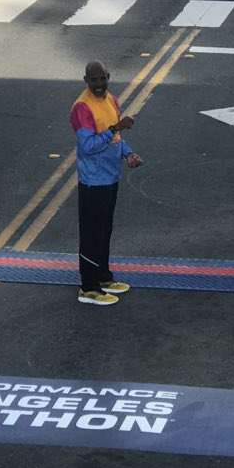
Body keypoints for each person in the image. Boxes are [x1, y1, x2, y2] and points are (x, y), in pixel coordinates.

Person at [70, 60, 143, 306]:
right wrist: (114, 128)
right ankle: (88, 288)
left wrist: (128, 153)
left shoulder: (111, 100)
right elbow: (88, 146)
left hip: (110, 177)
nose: (99, 84)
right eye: (94, 80)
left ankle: (103, 277)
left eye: (103, 79)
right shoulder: (82, 108)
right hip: (93, 181)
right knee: (91, 234)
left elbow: (117, 139)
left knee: (104, 231)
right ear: (86, 80)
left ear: (108, 77)